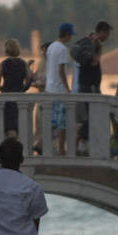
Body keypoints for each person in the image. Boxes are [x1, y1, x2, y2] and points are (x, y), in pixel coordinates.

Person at [71, 20, 113, 153]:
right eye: (107, 34)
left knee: (92, 115)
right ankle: (80, 139)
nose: (107, 37)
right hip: (90, 85)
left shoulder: (86, 40)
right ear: (102, 32)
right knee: (96, 115)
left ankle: (83, 141)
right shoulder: (94, 43)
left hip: (84, 84)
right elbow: (94, 62)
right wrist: (100, 50)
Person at [45, 23, 74, 155]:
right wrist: (68, 89)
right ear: (67, 34)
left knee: (52, 121)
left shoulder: (51, 47)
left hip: (49, 88)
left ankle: (49, 147)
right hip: (59, 90)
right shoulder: (63, 49)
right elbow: (61, 70)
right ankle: (61, 148)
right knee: (62, 123)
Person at [0, 38, 33, 136]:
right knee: (20, 125)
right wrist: (23, 89)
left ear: (6, 50)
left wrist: (3, 90)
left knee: (8, 126)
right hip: (20, 97)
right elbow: (29, 79)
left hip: (7, 99)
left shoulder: (3, 64)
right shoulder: (23, 63)